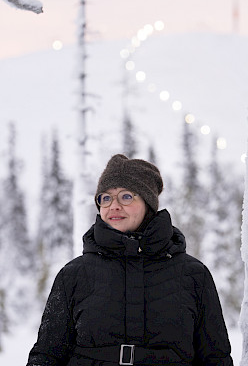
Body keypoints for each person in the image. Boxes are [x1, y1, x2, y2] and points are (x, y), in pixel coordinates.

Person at [27, 154, 234, 366]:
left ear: (148, 203)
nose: (113, 206)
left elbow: (216, 358)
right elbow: (46, 356)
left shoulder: (193, 274)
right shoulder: (73, 275)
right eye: (105, 198)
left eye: (126, 196)